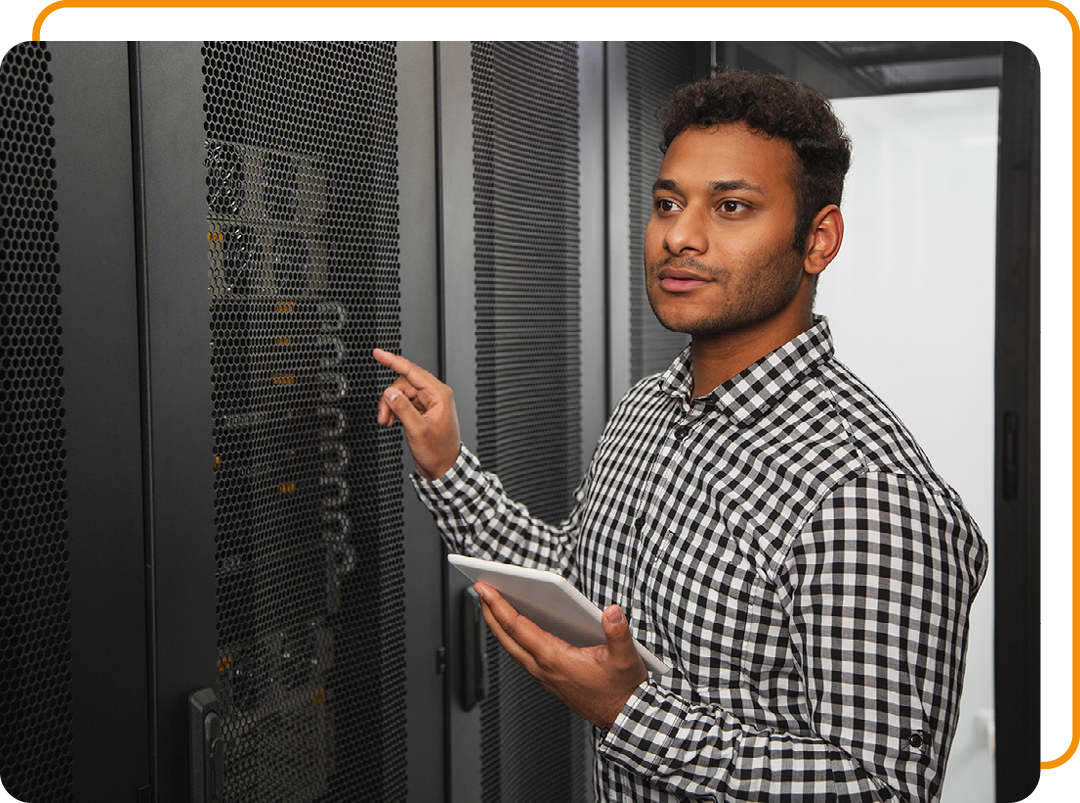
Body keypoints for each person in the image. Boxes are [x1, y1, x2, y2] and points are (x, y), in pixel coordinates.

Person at [374, 69, 987, 803]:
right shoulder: (645, 410)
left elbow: (881, 787)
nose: (679, 236)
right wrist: (447, 466)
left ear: (817, 240)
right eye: (668, 202)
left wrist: (631, 712)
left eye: (731, 206)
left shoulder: (866, 492)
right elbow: (575, 586)